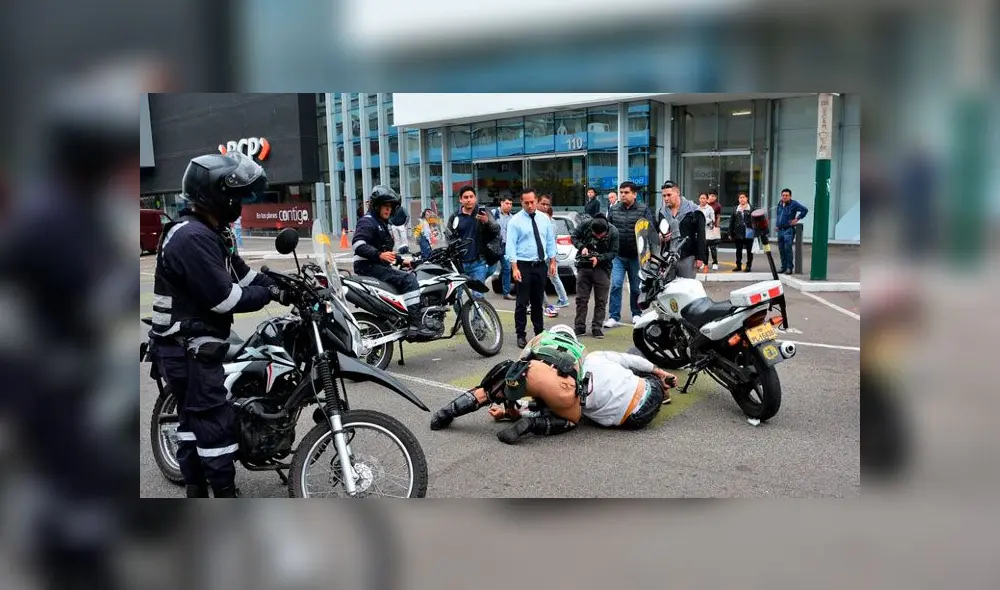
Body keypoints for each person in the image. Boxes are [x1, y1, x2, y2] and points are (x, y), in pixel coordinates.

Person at [147, 151, 289, 498]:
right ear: (215, 194)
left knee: (193, 423)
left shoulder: (212, 232)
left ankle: (195, 489)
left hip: (189, 345)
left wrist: (285, 285)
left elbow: (243, 273)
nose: (240, 203)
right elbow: (225, 298)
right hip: (188, 349)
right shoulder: (190, 237)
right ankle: (224, 493)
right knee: (212, 425)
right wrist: (268, 294)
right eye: (237, 196)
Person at [428, 326, 677, 444]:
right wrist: (659, 372)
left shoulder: (539, 342)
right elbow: (630, 360)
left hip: (533, 374)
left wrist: (508, 410)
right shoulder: (589, 356)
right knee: (570, 417)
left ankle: (445, 413)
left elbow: (522, 377)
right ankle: (661, 386)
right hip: (633, 415)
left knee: (492, 389)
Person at [353, 185, 436, 338]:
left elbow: (386, 253)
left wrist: (401, 261)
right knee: (409, 280)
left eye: (390, 207)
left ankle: (401, 317)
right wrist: (379, 255)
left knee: (408, 273)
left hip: (375, 265)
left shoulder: (381, 223)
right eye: (385, 206)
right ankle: (416, 325)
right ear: (377, 206)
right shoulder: (368, 222)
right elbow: (358, 245)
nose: (388, 210)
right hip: (368, 267)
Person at [505, 187, 557, 349]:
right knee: (522, 303)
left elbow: (549, 241)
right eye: (526, 203)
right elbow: (511, 246)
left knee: (537, 302)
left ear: (536, 200)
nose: (530, 205)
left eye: (532, 202)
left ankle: (539, 333)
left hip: (540, 265)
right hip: (523, 265)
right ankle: (521, 335)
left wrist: (553, 261)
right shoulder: (515, 221)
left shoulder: (544, 219)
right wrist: (514, 267)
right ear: (521, 202)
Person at [604, 181, 652, 329]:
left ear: (634, 194)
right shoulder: (614, 209)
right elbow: (608, 229)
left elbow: (650, 230)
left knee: (636, 287)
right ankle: (613, 316)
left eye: (626, 192)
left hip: (636, 256)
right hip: (618, 255)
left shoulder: (643, 209)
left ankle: (636, 313)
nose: (623, 195)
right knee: (616, 285)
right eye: (621, 192)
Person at [446, 185, 501, 300]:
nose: (469, 199)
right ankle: (462, 318)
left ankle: (477, 319)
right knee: (457, 297)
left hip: (478, 262)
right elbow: (448, 237)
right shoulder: (455, 217)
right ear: (461, 200)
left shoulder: (484, 213)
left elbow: (496, 230)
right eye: (465, 197)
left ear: (475, 198)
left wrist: (487, 222)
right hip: (459, 264)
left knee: (478, 296)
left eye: (471, 196)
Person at [571, 213, 618, 339]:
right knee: (581, 299)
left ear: (606, 230)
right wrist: (582, 247)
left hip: (602, 268)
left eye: (600, 235)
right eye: (594, 234)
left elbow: (614, 252)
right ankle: (579, 327)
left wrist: (599, 258)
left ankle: (597, 327)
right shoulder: (586, 224)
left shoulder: (613, 232)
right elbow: (574, 237)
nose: (597, 237)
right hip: (584, 266)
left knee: (601, 300)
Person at [658, 180, 707, 278]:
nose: (666, 198)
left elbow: (701, 236)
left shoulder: (694, 211)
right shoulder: (661, 212)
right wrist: (660, 237)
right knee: (668, 289)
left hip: (688, 256)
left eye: (669, 195)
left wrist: (700, 258)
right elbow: (657, 233)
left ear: (677, 193)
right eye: (664, 196)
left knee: (686, 288)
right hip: (668, 257)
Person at [537, 193, 570, 310]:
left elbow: (548, 242)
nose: (545, 207)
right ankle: (560, 299)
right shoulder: (551, 223)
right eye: (543, 204)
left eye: (547, 205)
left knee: (551, 278)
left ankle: (561, 299)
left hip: (547, 255)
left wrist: (551, 259)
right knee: (547, 278)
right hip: (547, 255)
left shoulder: (549, 224)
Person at [776, 187, 809, 274]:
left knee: (788, 249)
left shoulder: (793, 204)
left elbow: (805, 210)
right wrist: (777, 225)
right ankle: (783, 267)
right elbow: (778, 215)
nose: (784, 197)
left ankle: (789, 268)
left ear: (790, 196)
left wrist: (796, 219)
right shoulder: (780, 203)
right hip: (780, 230)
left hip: (788, 230)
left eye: (786, 195)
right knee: (781, 249)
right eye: (783, 195)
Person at [493, 196, 516, 300]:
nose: (509, 206)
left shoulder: (512, 218)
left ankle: (506, 292)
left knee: (507, 268)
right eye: (507, 203)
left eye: (511, 204)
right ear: (501, 203)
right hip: (493, 245)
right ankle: (479, 290)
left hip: (506, 245)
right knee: (489, 268)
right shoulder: (494, 214)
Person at [729, 192, 754, 272]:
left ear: (747, 198)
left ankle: (748, 266)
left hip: (749, 232)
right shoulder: (735, 208)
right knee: (738, 250)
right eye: (740, 197)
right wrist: (730, 232)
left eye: (743, 197)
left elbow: (756, 222)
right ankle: (738, 265)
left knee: (749, 250)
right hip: (738, 233)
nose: (742, 199)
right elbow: (731, 221)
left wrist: (756, 232)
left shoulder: (752, 208)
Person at [698, 193, 720, 271]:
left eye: (704, 198)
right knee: (703, 248)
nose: (702, 200)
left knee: (712, 247)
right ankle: (704, 263)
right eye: (701, 198)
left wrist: (705, 221)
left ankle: (715, 262)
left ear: (707, 199)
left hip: (709, 230)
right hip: (700, 231)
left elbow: (713, 219)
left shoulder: (709, 208)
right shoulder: (697, 208)